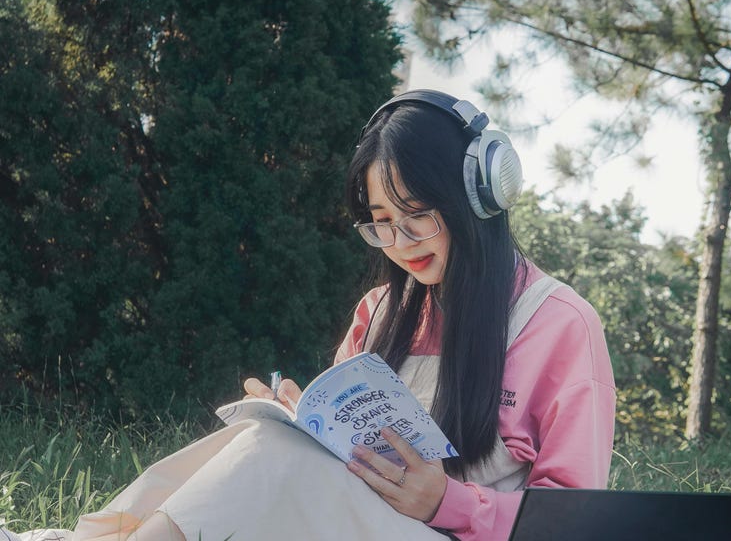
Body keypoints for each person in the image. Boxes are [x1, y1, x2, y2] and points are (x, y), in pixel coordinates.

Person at [8, 89, 616, 541]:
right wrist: (308, 423)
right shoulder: (379, 312)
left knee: (276, 458)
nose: (400, 240)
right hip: (355, 524)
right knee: (266, 436)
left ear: (480, 194)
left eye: (419, 211)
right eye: (380, 220)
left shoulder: (560, 324)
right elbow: (330, 470)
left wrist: (448, 503)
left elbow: (574, 524)